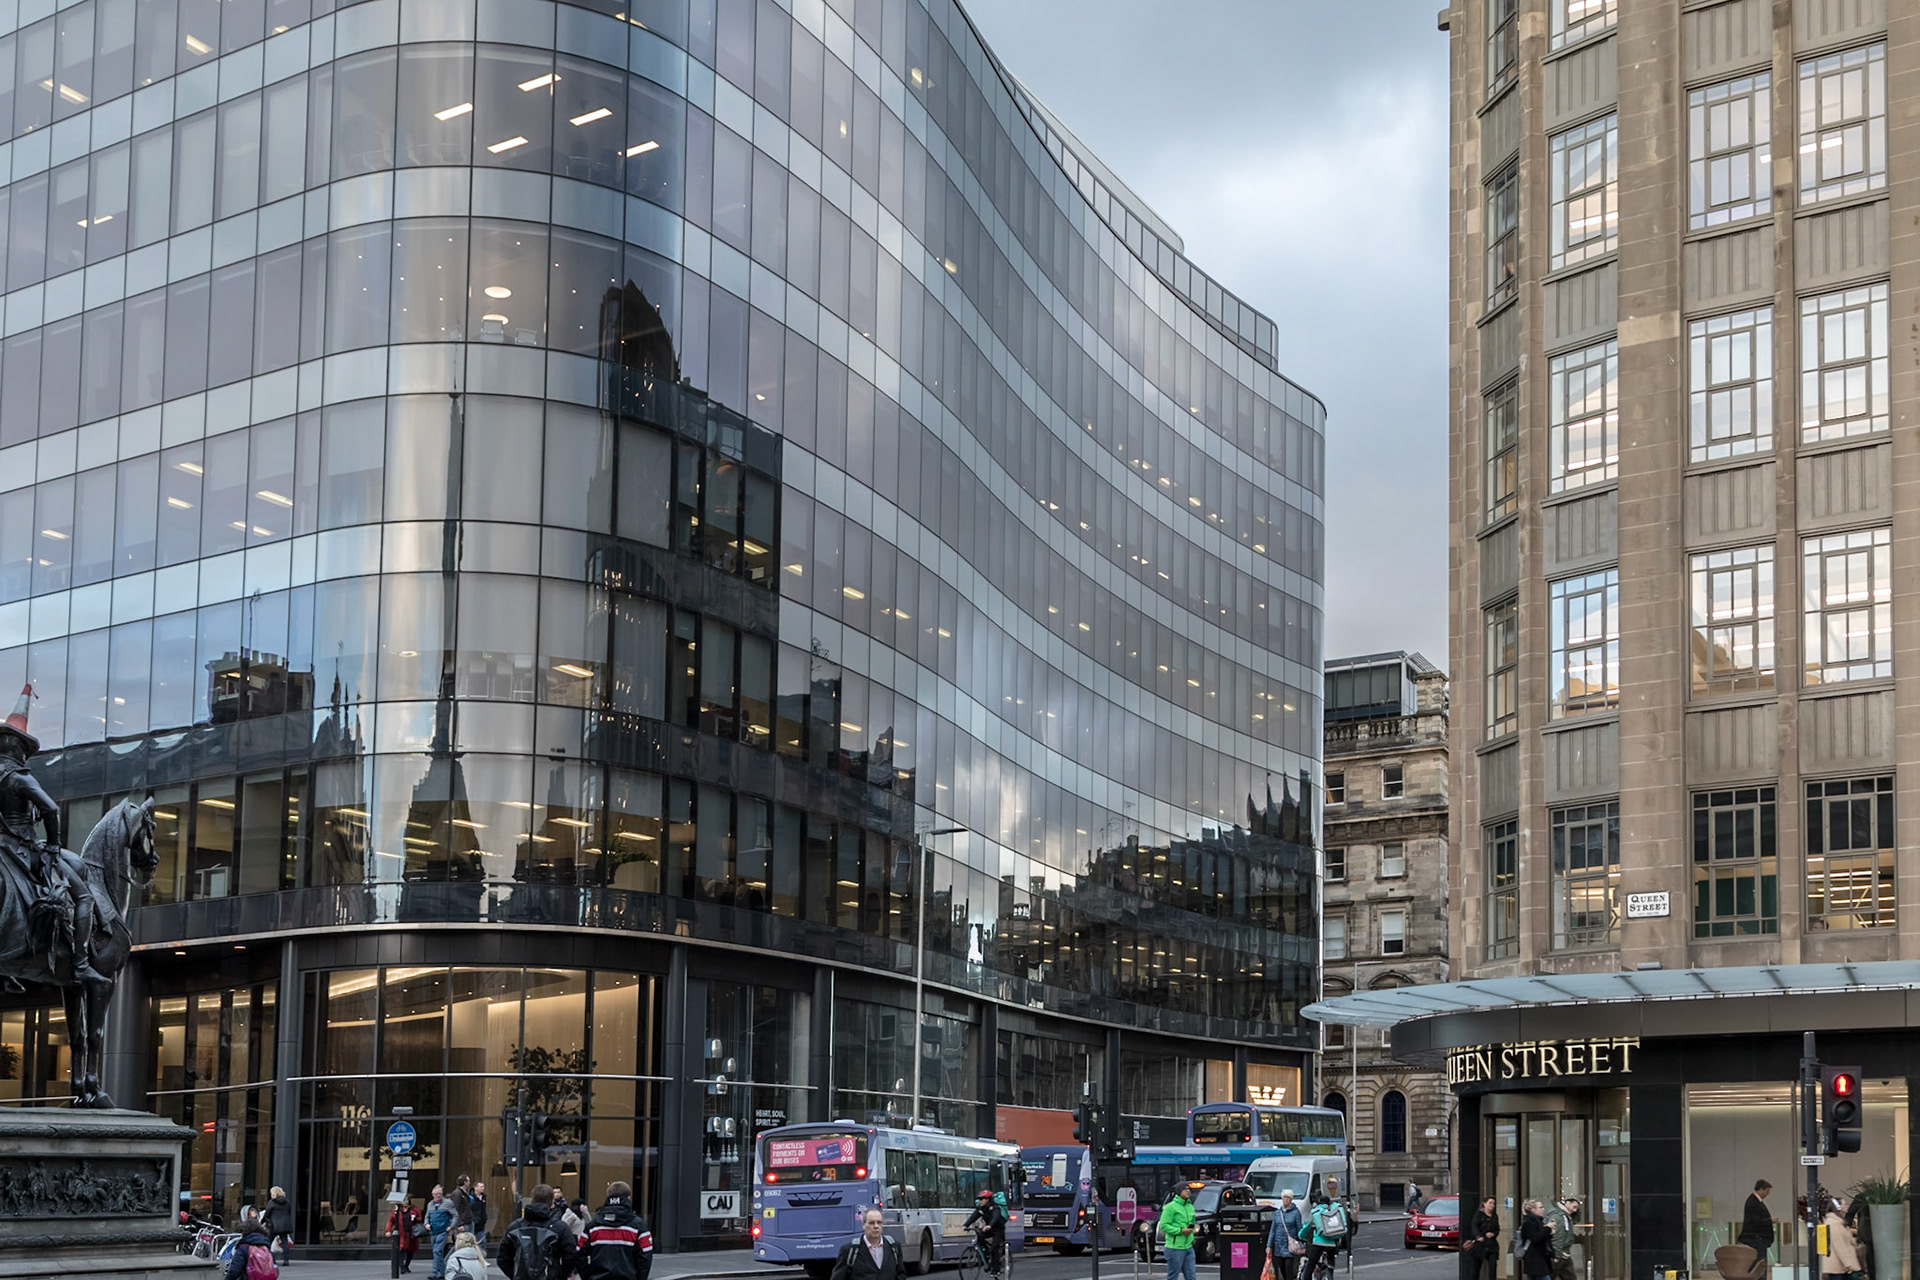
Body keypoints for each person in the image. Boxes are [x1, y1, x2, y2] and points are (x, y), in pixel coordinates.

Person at [499, 1182, 581, 1280]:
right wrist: (560, 1275)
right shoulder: (560, 1227)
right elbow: (571, 1256)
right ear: (551, 1203)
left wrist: (515, 1274)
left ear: (532, 1200)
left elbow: (502, 1257)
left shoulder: (515, 1226)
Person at [583, 1179, 654, 1280]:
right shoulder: (638, 1226)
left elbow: (579, 1254)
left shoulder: (593, 1226)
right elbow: (645, 1258)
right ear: (628, 1198)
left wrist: (587, 1276)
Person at [829, 1207, 902, 1280]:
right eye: (871, 1223)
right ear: (863, 1225)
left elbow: (901, 1274)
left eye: (879, 1222)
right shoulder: (849, 1250)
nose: (876, 1226)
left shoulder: (894, 1247)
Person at [1300, 1191, 1350, 1280]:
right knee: (1330, 1265)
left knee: (1310, 1266)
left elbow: (1306, 1227)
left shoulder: (1315, 1212)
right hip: (1334, 1243)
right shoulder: (1334, 1210)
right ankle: (1329, 1274)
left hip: (1319, 1243)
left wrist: (1300, 1236)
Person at [963, 1187, 1008, 1276]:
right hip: (989, 1228)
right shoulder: (981, 1208)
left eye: (982, 1199)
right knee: (979, 1237)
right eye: (979, 1199)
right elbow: (974, 1216)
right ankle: (987, 1254)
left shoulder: (995, 1207)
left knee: (994, 1248)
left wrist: (990, 1225)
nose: (980, 1201)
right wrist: (966, 1225)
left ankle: (996, 1269)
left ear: (988, 1199)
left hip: (998, 1229)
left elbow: (996, 1217)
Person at [1161, 1182, 1200, 1280]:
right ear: (1179, 1192)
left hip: (1188, 1247)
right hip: (1174, 1248)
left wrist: (1192, 1235)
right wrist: (1180, 1231)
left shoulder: (1190, 1207)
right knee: (1173, 1276)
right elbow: (1164, 1226)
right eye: (1185, 1189)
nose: (1188, 1191)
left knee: (1191, 1276)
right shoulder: (1170, 1207)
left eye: (1189, 1189)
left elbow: (1192, 1224)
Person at [1266, 1189, 1305, 1280]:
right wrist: (1269, 1246)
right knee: (1281, 1268)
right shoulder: (1277, 1213)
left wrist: (1301, 1242)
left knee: (1288, 1269)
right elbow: (1273, 1230)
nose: (1286, 1200)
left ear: (1291, 1199)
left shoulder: (1296, 1213)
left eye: (1288, 1198)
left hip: (1290, 1246)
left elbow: (1299, 1229)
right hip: (1278, 1245)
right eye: (1284, 1197)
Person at [225, 1215, 277, 1280]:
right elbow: (274, 1268)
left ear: (245, 1232)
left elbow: (234, 1270)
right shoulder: (265, 1247)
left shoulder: (243, 1248)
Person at [1822, 1196, 1862, 1280]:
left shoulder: (1839, 1222)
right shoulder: (1834, 1223)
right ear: (1838, 1207)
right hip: (1838, 1267)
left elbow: (1845, 1241)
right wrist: (1848, 1264)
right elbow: (1839, 1245)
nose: (1847, 1206)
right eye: (1845, 1204)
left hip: (1840, 1266)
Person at [386, 1198, 424, 1277]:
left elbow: (420, 1218)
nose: (405, 1202)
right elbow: (391, 1221)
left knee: (410, 1251)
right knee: (401, 1249)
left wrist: (415, 1218)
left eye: (407, 1200)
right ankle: (401, 1266)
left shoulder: (414, 1209)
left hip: (411, 1233)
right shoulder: (396, 1211)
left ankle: (406, 1265)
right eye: (404, 1200)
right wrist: (388, 1230)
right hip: (401, 1233)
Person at [1546, 1195, 1581, 1280]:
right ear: (1567, 1203)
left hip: (1562, 1253)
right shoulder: (1559, 1217)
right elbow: (1557, 1237)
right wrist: (1557, 1256)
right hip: (1559, 1254)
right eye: (1574, 1207)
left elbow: (1576, 1219)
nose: (1574, 1210)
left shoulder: (1565, 1216)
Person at [424, 1184, 455, 1279]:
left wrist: (451, 1226)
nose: (438, 1196)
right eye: (436, 1194)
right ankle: (443, 1273)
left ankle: (434, 1273)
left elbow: (455, 1215)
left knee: (437, 1251)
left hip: (442, 1231)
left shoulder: (448, 1203)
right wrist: (426, 1224)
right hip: (433, 1231)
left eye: (440, 1194)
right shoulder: (430, 1204)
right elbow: (427, 1216)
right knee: (437, 1253)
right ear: (432, 1194)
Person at [1739, 1181, 1775, 1259]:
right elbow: (1756, 1221)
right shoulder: (1752, 1202)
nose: (1768, 1194)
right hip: (1755, 1239)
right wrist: (1770, 1220)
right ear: (1761, 1189)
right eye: (1767, 1191)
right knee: (1758, 1261)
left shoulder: (1756, 1201)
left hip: (1758, 1239)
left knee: (1760, 1261)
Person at [1519, 1201, 1553, 1280]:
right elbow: (1535, 1238)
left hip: (1540, 1258)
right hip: (1534, 1259)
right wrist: (1548, 1228)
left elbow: (1542, 1237)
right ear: (1533, 1209)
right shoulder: (1528, 1223)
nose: (1543, 1209)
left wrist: (1550, 1233)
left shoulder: (1539, 1221)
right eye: (1540, 1207)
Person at [1468, 1198, 1500, 1280]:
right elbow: (1474, 1227)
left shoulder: (1495, 1216)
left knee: (1493, 1267)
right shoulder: (1478, 1215)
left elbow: (1497, 1229)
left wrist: (1493, 1234)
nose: (1492, 1205)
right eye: (1490, 1203)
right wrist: (1480, 1236)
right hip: (1480, 1245)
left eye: (1493, 1203)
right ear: (1484, 1204)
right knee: (1475, 1269)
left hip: (1491, 1245)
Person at [263, 1185, 295, 1268]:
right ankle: (286, 1260)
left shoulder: (272, 1202)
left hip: (274, 1225)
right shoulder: (287, 1202)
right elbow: (289, 1212)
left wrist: (263, 1221)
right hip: (285, 1225)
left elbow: (267, 1213)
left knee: (267, 1242)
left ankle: (267, 1259)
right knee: (284, 1242)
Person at [471, 1183, 490, 1251]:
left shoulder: (483, 1197)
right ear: (475, 1188)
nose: (483, 1188)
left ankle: (481, 1258)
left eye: (483, 1186)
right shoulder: (471, 1198)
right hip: (473, 1223)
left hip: (481, 1224)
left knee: (482, 1242)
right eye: (481, 1187)